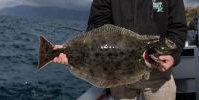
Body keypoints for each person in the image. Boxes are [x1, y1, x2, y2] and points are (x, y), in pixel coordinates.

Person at [53, 0, 187, 99]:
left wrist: (173, 56)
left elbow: (178, 28)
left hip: (158, 76)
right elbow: (97, 27)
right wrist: (73, 51)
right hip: (118, 75)